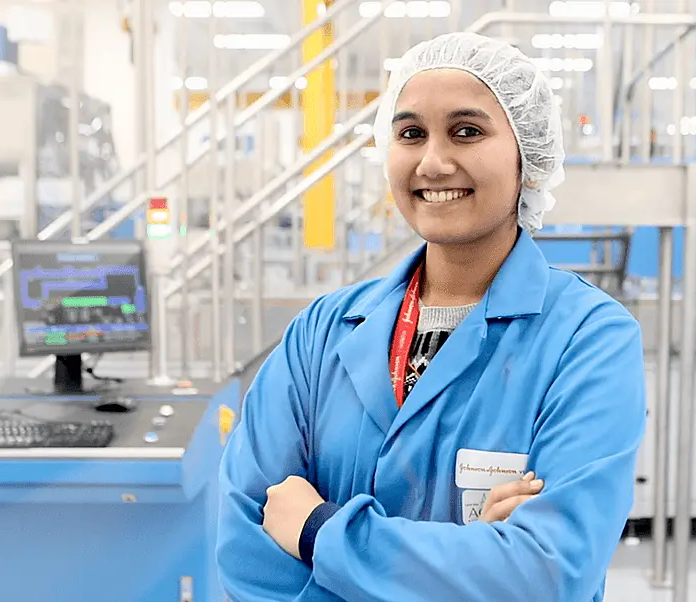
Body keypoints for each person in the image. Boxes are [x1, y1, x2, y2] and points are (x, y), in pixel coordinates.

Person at [217, 32, 647, 602]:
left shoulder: (589, 340)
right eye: (410, 133)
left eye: (466, 131)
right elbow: (247, 546)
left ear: (529, 157)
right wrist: (473, 565)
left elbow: (549, 572)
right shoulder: (321, 333)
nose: (434, 162)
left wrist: (319, 532)